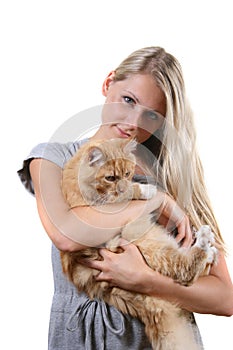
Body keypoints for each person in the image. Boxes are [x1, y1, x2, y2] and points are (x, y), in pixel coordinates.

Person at [18, 46, 233, 350]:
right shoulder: (53, 158)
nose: (133, 123)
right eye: (128, 100)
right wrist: (153, 201)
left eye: (151, 115)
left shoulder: (170, 174)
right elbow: (67, 233)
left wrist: (146, 280)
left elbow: (225, 298)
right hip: (81, 338)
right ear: (108, 84)